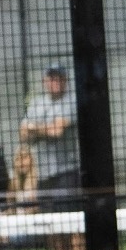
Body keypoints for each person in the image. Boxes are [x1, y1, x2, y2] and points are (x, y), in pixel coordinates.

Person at [19, 63, 80, 212]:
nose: (55, 81)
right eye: (52, 78)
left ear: (65, 81)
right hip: (43, 173)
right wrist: (45, 128)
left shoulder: (71, 101)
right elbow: (23, 133)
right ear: (45, 81)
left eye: (59, 78)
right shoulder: (37, 104)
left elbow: (56, 131)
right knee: (49, 222)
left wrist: (34, 127)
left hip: (66, 172)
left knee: (68, 219)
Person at [6, 145, 38, 214]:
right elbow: (10, 208)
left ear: (31, 160)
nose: (21, 162)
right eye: (18, 159)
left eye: (24, 157)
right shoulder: (12, 183)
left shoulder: (39, 182)